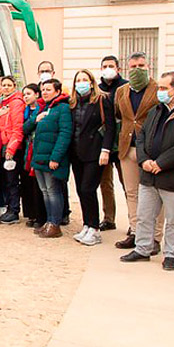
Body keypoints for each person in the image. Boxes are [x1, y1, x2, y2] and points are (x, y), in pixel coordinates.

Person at [120, 72, 174, 271]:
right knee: (144, 215)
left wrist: (162, 163)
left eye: (163, 88)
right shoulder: (157, 110)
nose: (159, 92)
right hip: (149, 173)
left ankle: (171, 254)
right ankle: (142, 248)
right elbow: (141, 137)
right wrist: (144, 160)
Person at [113, 53, 163, 251]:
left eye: (141, 65)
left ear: (148, 66)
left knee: (155, 194)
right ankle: (135, 231)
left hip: (151, 150)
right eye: (133, 66)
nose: (137, 69)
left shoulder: (159, 89)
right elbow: (120, 115)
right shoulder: (121, 91)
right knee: (131, 192)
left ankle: (155, 237)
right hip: (128, 147)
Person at [69, 70, 116, 246]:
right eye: (78, 80)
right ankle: (87, 224)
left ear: (91, 82)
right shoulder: (72, 103)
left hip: (95, 152)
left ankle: (95, 228)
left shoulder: (102, 100)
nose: (81, 82)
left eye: (84, 79)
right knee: (81, 190)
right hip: (76, 152)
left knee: (89, 188)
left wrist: (106, 150)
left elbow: (110, 128)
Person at [24, 79, 72, 238]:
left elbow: (65, 134)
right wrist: (35, 119)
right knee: (45, 191)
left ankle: (55, 224)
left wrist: (56, 158)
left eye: (48, 89)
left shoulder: (63, 109)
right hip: (38, 158)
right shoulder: (42, 108)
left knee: (53, 191)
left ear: (57, 92)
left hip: (51, 158)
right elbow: (25, 128)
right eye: (43, 89)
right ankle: (49, 221)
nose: (44, 92)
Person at [98, 55, 128, 231]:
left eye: (111, 66)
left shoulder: (125, 87)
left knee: (128, 184)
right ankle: (109, 218)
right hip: (104, 144)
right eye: (105, 66)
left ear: (118, 68)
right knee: (105, 183)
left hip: (123, 142)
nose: (108, 69)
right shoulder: (99, 89)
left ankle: (135, 220)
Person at [0, 75, 25, 224]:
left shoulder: (16, 103)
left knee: (12, 180)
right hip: (3, 144)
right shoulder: (3, 103)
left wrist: (11, 148)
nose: (6, 88)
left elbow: (17, 128)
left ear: (14, 86)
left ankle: (14, 210)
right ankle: (9, 208)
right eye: (4, 85)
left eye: (9, 85)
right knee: (6, 179)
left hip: (11, 146)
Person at [19, 84, 45, 228]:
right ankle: (31, 214)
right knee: (26, 184)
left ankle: (39, 215)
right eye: (24, 94)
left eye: (29, 93)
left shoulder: (42, 108)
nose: (26, 97)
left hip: (37, 149)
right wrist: (34, 121)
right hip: (26, 149)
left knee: (38, 185)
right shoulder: (25, 110)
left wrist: (32, 122)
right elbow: (24, 128)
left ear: (36, 94)